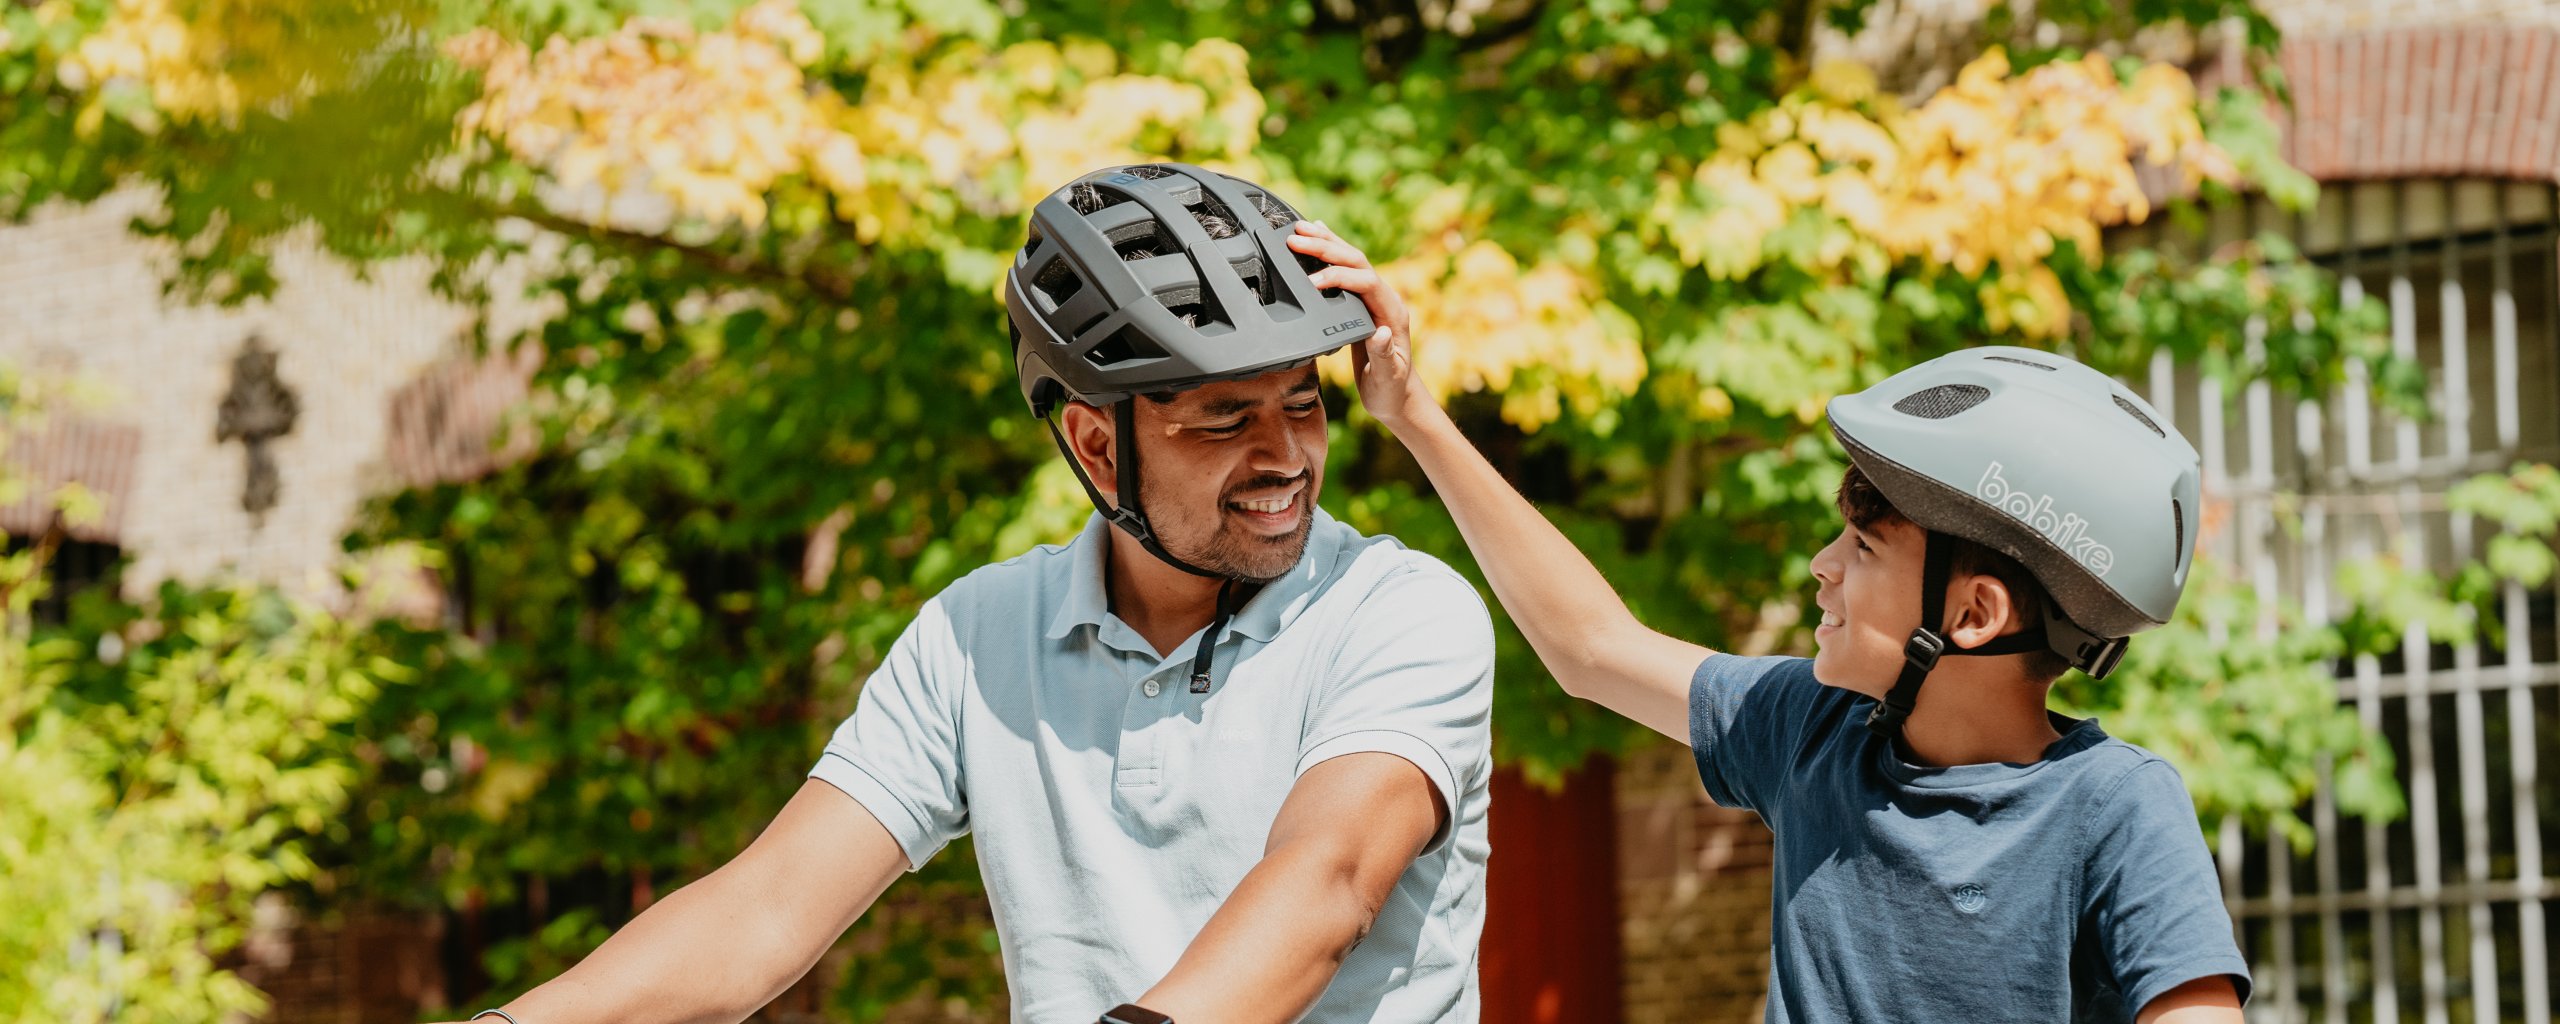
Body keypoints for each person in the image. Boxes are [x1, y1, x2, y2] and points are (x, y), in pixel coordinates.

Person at [446, 165, 1494, 1024]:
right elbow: (764, 911)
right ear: (1095, 442)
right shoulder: (979, 633)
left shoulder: (1398, 608)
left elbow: (1329, 881)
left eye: (1302, 405)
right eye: (1223, 421)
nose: (1283, 457)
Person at [1286, 221, 2250, 1023]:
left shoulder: (2116, 807)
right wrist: (1412, 411)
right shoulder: (1814, 733)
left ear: (1972, 612)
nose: (1822, 570)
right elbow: (1592, 648)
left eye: (1865, 550)